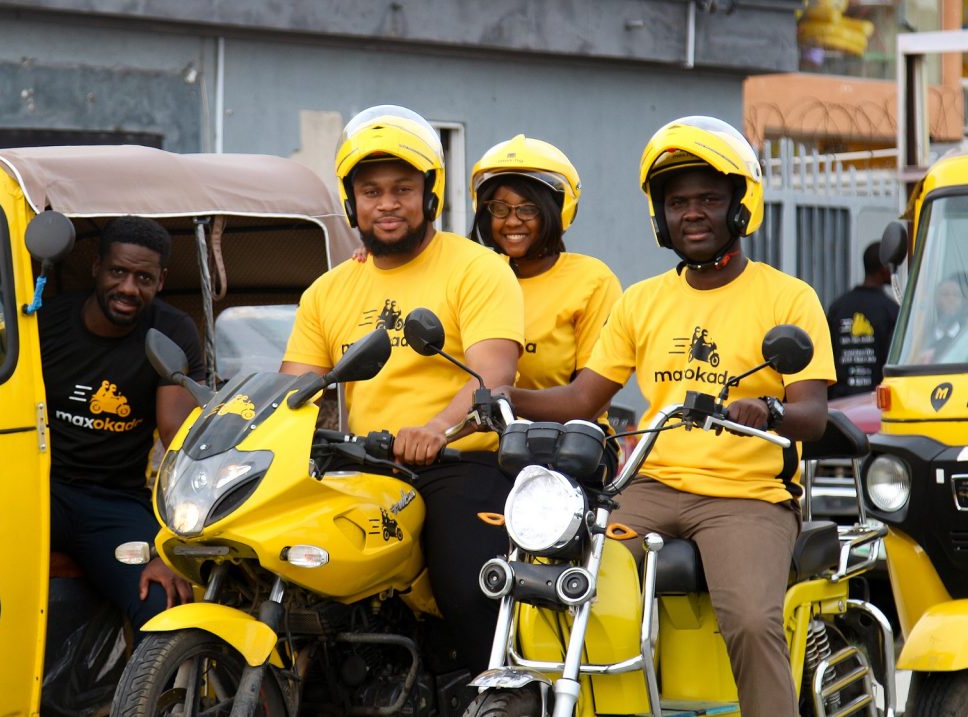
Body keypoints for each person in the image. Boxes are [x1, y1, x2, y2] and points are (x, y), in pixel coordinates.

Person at [499, 116, 834, 717]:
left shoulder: (789, 297)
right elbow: (581, 400)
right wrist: (501, 397)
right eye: (677, 202)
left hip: (747, 495)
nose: (693, 213)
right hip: (649, 485)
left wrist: (768, 408)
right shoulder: (642, 300)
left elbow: (812, 415)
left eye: (708, 198)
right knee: (553, 578)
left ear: (740, 205)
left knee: (753, 621)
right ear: (661, 216)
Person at [280, 105, 524, 672]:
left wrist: (436, 428)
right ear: (351, 203)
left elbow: (494, 377)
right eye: (370, 191)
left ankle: (500, 691)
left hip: (458, 461)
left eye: (401, 189)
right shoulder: (327, 290)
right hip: (362, 466)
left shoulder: (479, 269)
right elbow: (294, 388)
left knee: (468, 586)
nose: (386, 203)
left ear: (429, 196)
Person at [39, 215, 201, 643]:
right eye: (118, 272)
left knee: (166, 601)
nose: (129, 288)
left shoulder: (171, 332)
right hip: (40, 492)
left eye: (144, 277)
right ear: (96, 267)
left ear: (160, 281)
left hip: (115, 502)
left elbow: (179, 443)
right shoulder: (43, 325)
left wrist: (170, 548)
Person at [468, 134, 622, 466]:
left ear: (558, 210)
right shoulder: (474, 272)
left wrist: (503, 399)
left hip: (571, 445)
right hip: (485, 446)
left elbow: (588, 401)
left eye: (527, 208)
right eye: (499, 208)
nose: (511, 220)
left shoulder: (592, 280)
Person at [826, 241, 899, 397]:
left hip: (839, 403)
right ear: (884, 268)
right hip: (876, 403)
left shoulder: (838, 307)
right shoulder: (891, 310)